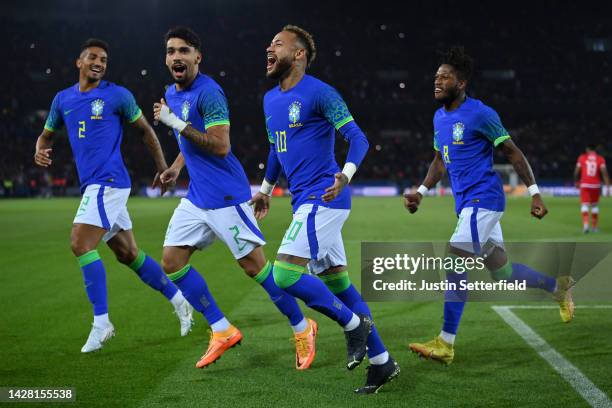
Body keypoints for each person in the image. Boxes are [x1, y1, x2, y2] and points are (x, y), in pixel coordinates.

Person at [153, 27, 315, 370]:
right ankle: (221, 328)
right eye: (171, 51)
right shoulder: (172, 91)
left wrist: (174, 124)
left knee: (255, 268)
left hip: (227, 195)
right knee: (171, 261)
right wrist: (176, 168)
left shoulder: (210, 93)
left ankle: (303, 327)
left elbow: (220, 144)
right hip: (197, 196)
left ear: (198, 56)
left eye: (184, 51)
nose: (176, 57)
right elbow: (190, 140)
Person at [250, 25, 399, 394]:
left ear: (298, 54)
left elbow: (358, 138)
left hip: (325, 197)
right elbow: (275, 149)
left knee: (284, 275)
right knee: (340, 284)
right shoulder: (270, 99)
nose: (269, 48)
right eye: (269, 43)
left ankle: (353, 326)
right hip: (303, 199)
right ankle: (382, 363)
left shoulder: (320, 93)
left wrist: (345, 176)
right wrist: (266, 189)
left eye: (278, 44)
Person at [404, 47, 575, 365]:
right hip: (468, 205)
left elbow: (512, 152)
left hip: (484, 200)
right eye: (436, 77)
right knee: (503, 273)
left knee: (455, 259)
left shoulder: (481, 114)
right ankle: (557, 286)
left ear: (462, 83)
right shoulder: (439, 117)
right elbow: (440, 160)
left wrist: (534, 193)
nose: (437, 81)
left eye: (445, 77)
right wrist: (422, 191)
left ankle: (445, 342)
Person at [34, 38, 193, 354]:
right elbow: (46, 135)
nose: (99, 62)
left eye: (104, 59)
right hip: (92, 183)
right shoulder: (62, 99)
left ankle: (101, 322)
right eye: (93, 57)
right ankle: (180, 301)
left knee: (80, 242)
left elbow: (146, 131)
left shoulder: (117, 95)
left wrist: (163, 168)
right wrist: (39, 148)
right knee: (128, 254)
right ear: (79, 62)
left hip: (109, 181)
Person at [574, 145, 609, 233]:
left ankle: (586, 226)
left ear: (587, 149)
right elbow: (604, 173)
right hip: (595, 185)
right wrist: (608, 186)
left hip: (585, 184)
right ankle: (594, 227)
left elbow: (576, 171)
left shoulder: (582, 157)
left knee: (584, 205)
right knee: (594, 205)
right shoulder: (600, 159)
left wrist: (576, 181)